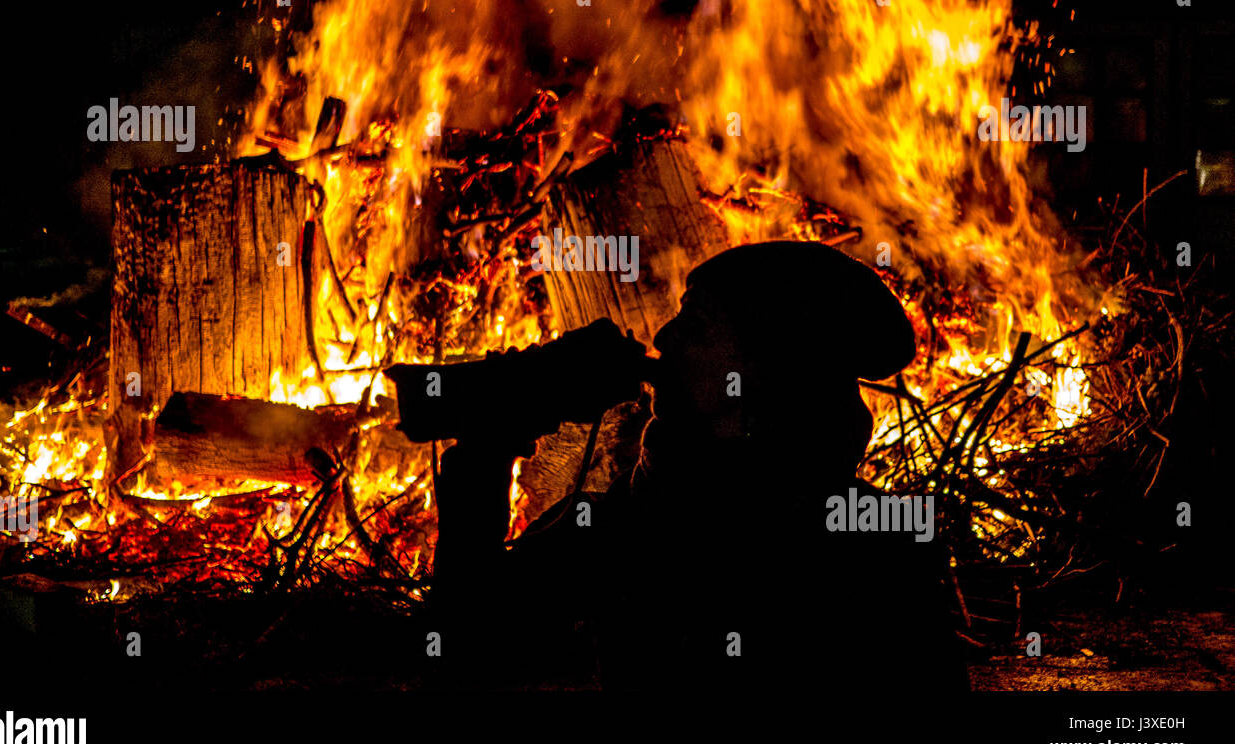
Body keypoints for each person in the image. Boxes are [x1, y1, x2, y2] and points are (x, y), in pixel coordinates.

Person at [391, 240, 965, 692]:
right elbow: (464, 648)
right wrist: (486, 453)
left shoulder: (870, 543)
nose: (665, 336)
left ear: (764, 373)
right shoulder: (622, 523)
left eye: (696, 326)